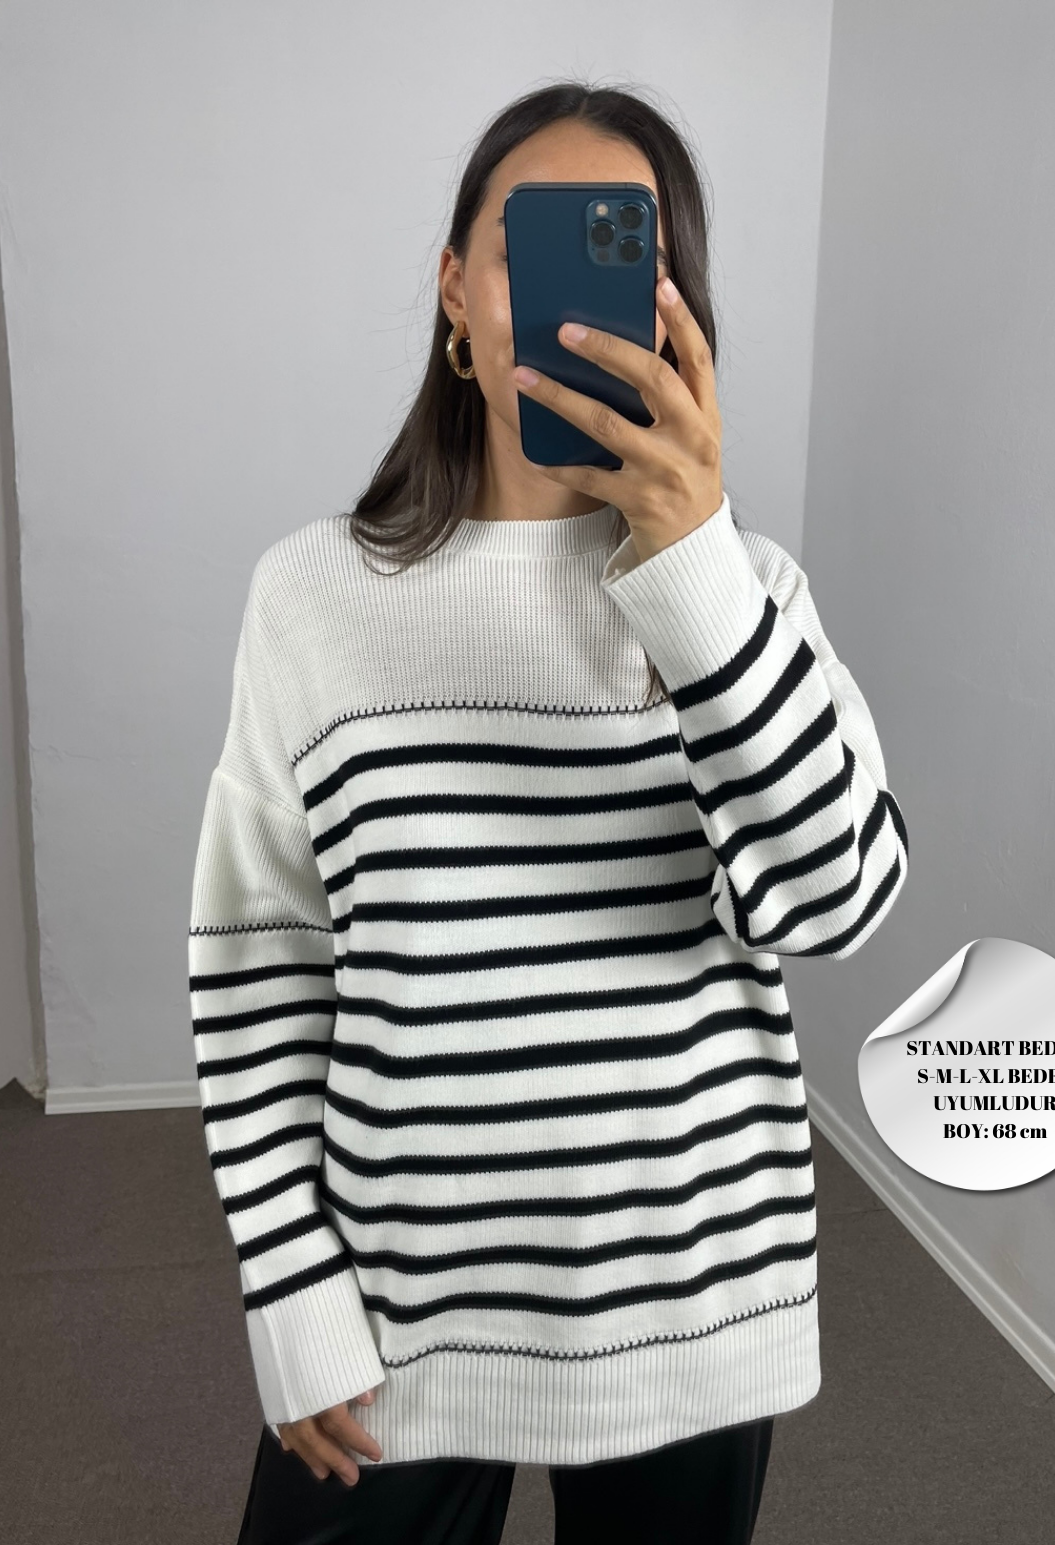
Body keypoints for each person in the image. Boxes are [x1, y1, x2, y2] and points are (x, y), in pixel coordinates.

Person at [189, 76, 909, 1545]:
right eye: (532, 243)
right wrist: (290, 1287)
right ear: (455, 291)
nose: (577, 300)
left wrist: (691, 566)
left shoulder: (746, 597)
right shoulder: (312, 597)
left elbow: (837, 902)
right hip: (398, 1303)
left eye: (626, 252)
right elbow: (262, 965)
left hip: (690, 1308)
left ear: (674, 312)